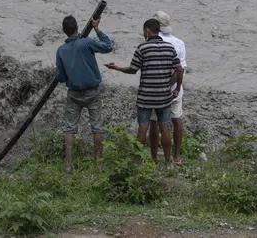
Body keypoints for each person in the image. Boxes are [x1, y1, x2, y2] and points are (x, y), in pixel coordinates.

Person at [105, 18, 182, 165]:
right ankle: (167, 163)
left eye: (143, 31)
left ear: (147, 30)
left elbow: (132, 70)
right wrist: (175, 87)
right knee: (165, 127)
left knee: (143, 128)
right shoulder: (169, 48)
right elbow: (179, 69)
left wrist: (116, 68)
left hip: (145, 97)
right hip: (164, 97)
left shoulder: (142, 48)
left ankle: (138, 164)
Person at [55, 14, 112, 173]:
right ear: (77, 28)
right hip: (92, 92)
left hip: (73, 93)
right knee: (97, 127)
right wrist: (97, 28)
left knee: (70, 128)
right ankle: (98, 164)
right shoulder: (86, 43)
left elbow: (60, 77)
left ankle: (68, 164)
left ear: (64, 31)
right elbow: (108, 46)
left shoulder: (61, 51)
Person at [150, 10, 187, 165]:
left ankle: (154, 158)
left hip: (156, 91)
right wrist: (173, 86)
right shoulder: (179, 43)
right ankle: (176, 156)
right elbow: (181, 69)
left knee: (154, 122)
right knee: (176, 120)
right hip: (175, 91)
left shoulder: (151, 42)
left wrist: (163, 84)